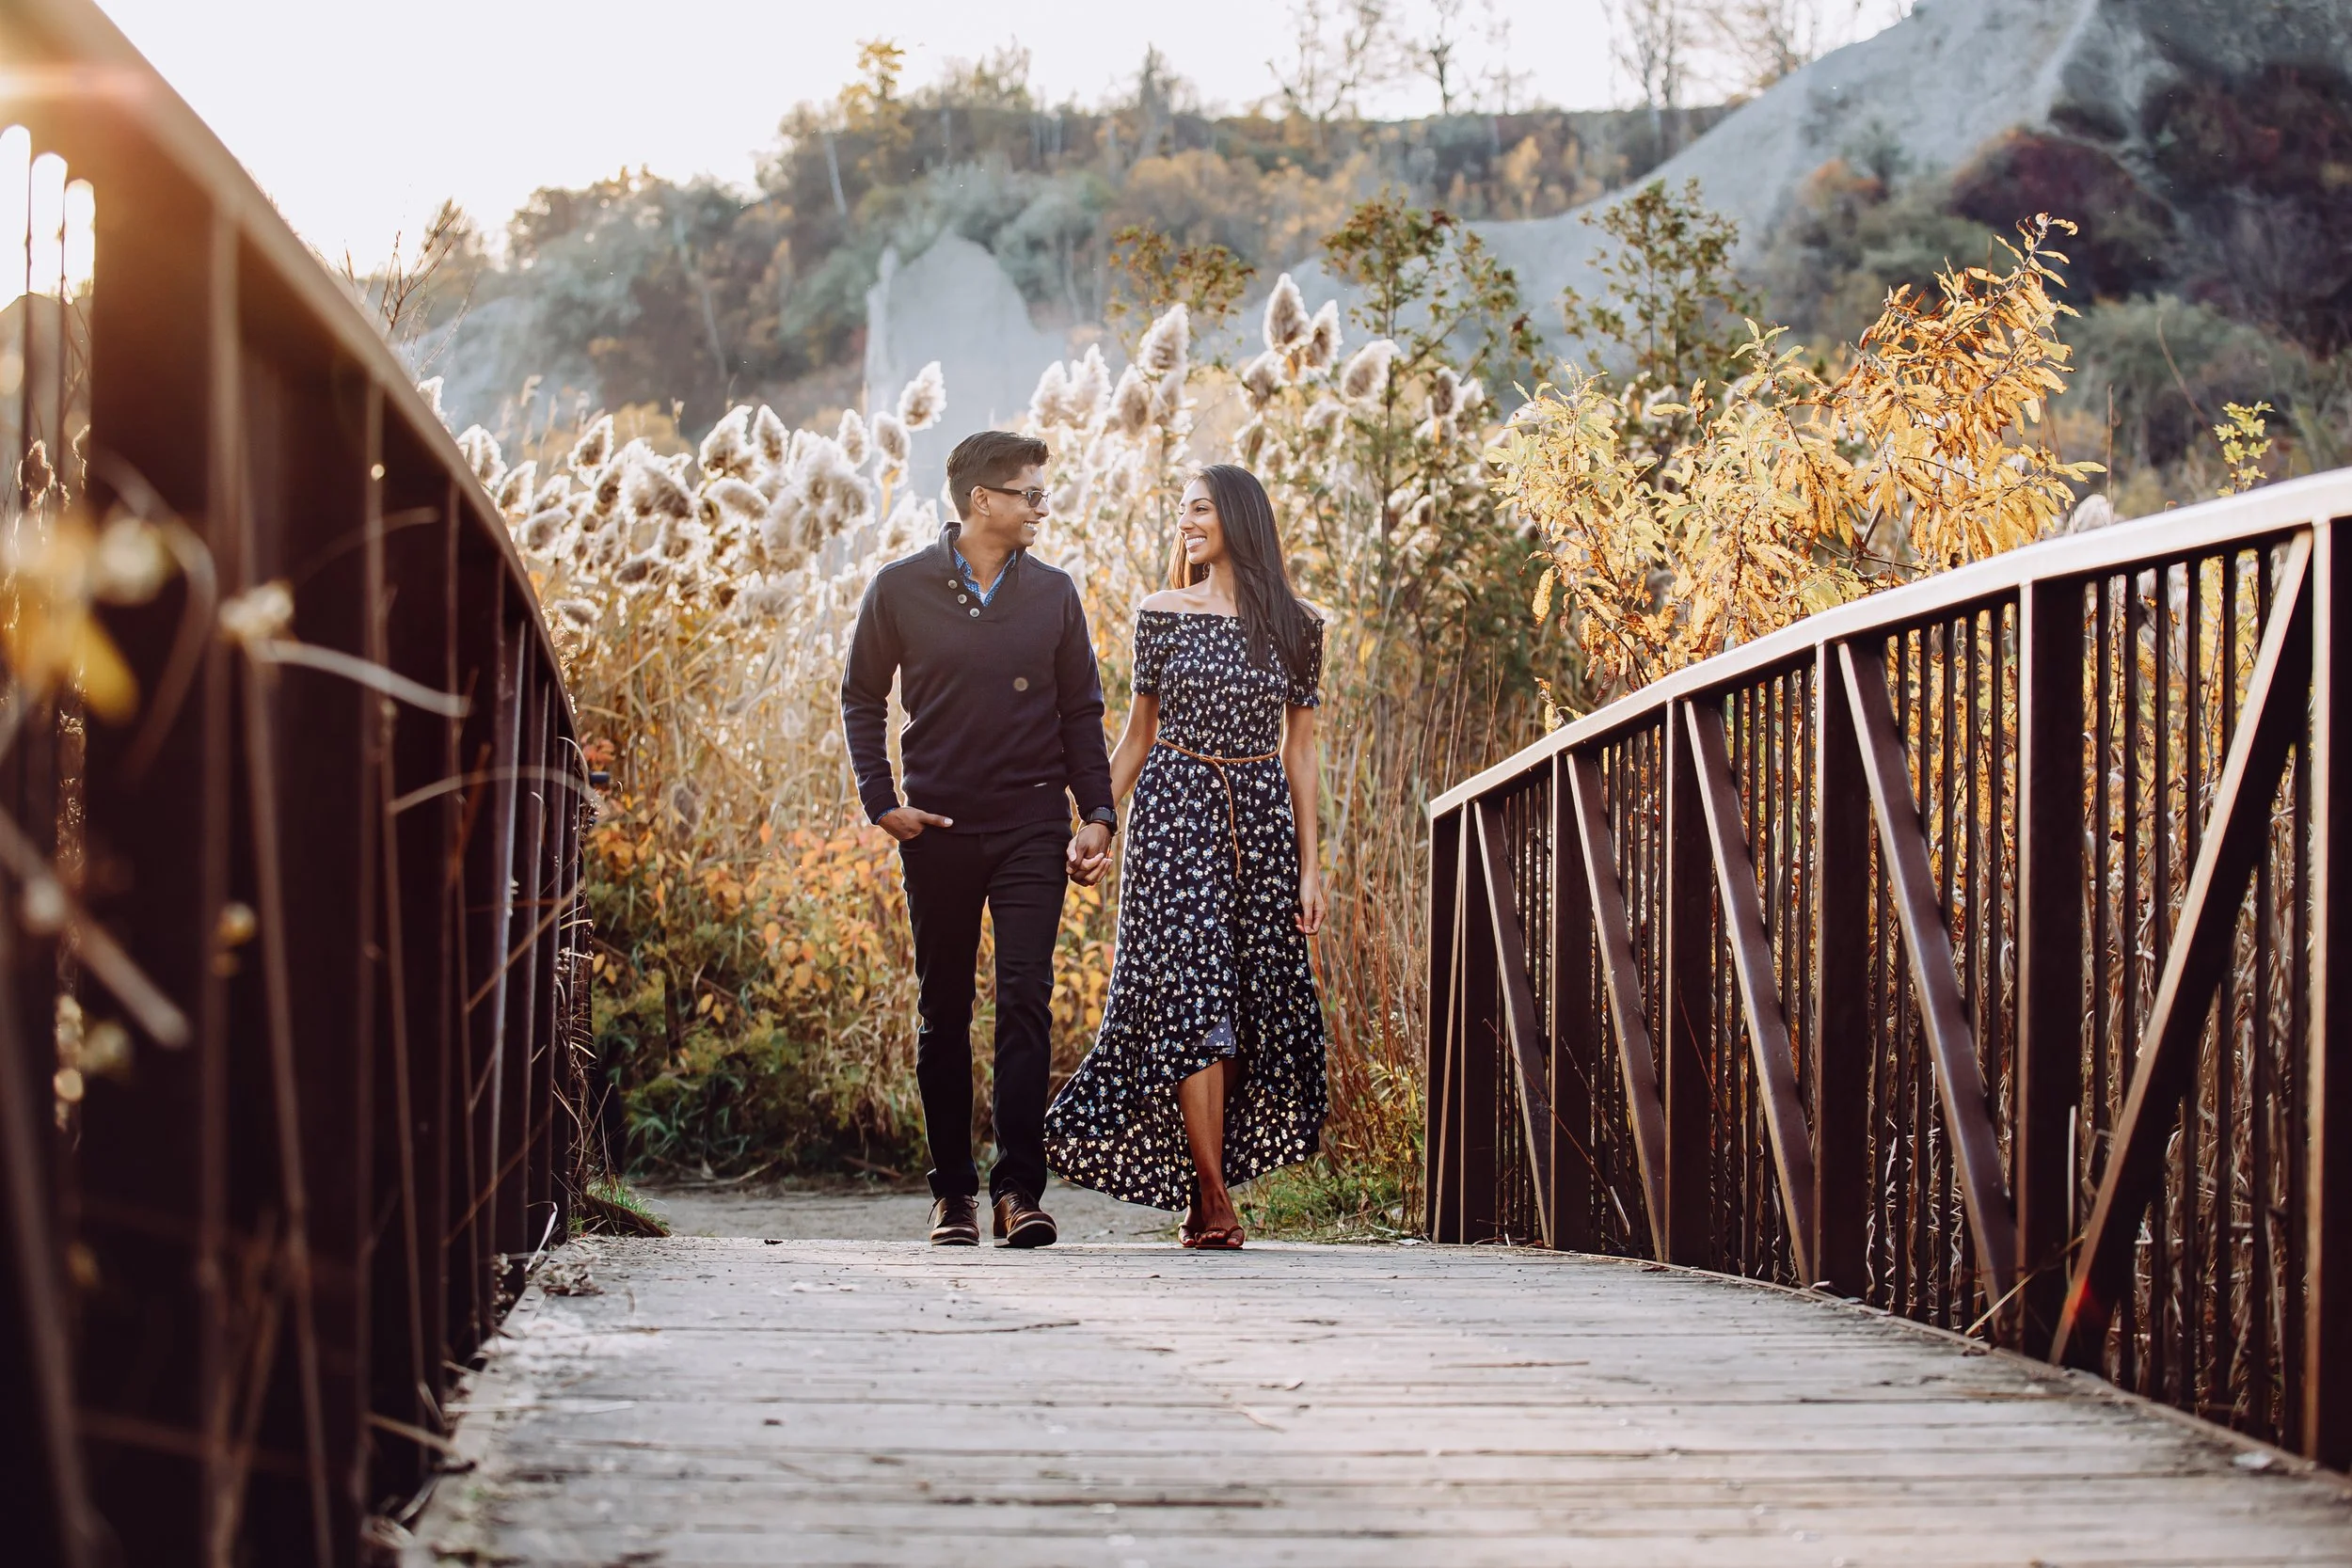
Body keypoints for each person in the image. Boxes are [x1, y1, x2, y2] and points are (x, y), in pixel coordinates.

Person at [841, 430, 1118, 1248]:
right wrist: (881, 801)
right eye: (1029, 493)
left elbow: (1081, 712)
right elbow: (861, 696)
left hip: (1033, 824)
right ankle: (953, 1195)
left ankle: (1018, 1191)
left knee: (1025, 1003)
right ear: (980, 501)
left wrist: (1096, 814)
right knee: (943, 1011)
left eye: (1043, 493)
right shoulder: (900, 587)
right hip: (939, 828)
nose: (1042, 506)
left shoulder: (1055, 594)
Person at [1045, 464, 1328, 1249]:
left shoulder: (1300, 625)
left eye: (1199, 509)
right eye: (1182, 512)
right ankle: (1213, 1194)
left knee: (1240, 1005)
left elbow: (1301, 753)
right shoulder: (1162, 612)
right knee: (1193, 1000)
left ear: (1238, 517)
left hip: (1260, 823)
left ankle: (1209, 1192)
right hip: (1173, 816)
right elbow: (1136, 736)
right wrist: (1098, 818)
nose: (1186, 523)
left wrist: (1311, 865)